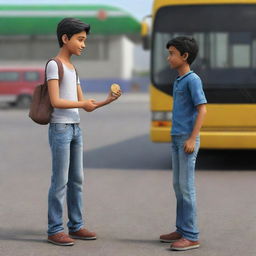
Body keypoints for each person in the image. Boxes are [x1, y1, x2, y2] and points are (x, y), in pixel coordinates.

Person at [46, 17, 121, 246]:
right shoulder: (54, 65)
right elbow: (56, 101)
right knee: (60, 180)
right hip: (60, 128)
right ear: (65, 38)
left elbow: (84, 104)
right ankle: (55, 229)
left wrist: (107, 100)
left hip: (76, 129)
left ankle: (76, 226)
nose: (83, 44)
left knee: (76, 179)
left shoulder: (73, 68)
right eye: (80, 40)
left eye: (84, 40)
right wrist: (83, 104)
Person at [159, 36, 207, 251]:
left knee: (186, 187)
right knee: (178, 186)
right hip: (176, 138)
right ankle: (181, 229)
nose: (168, 57)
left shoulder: (192, 80)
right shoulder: (179, 80)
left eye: (172, 53)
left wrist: (191, 138)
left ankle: (191, 235)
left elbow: (202, 109)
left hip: (187, 139)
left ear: (184, 56)